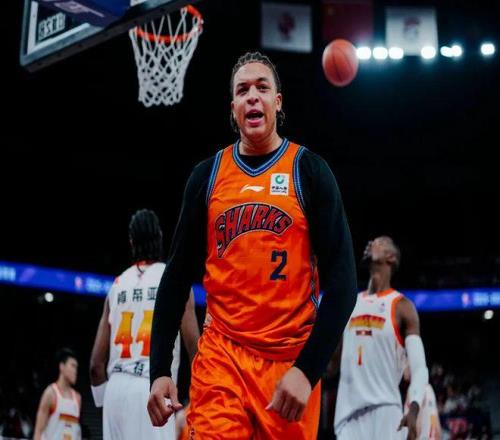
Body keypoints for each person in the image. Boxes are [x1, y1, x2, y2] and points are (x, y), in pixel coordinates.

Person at [147, 51, 358, 439]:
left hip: (288, 363)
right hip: (222, 357)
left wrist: (307, 370)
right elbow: (176, 277)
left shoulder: (309, 171)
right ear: (234, 108)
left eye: (262, 87)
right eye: (242, 90)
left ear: (277, 102)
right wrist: (160, 369)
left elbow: (343, 282)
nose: (252, 96)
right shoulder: (207, 176)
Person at [90, 209, 200, 440]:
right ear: (160, 237)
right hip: (152, 388)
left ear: (131, 242)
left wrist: (105, 400)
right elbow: (195, 349)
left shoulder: (117, 285)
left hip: (115, 389)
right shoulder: (173, 280)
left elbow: (95, 366)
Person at [330, 236, 429, 440]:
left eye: (379, 243)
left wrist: (414, 408)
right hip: (348, 416)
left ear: (391, 258)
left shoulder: (402, 307)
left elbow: (419, 368)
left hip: (386, 412)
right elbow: (333, 364)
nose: (370, 244)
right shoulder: (350, 302)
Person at [34, 348, 81, 440]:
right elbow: (38, 431)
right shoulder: (50, 393)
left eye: (76, 367)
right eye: (72, 366)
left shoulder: (77, 398)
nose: (75, 371)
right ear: (62, 367)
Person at [403, 367, 442, 440]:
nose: (403, 368)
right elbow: (435, 424)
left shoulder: (413, 389)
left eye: (405, 364)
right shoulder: (429, 388)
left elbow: (416, 429)